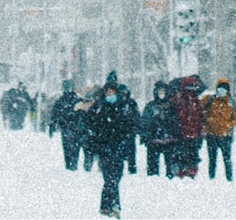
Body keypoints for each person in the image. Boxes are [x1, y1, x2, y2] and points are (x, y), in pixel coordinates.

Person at [82, 77, 138, 219]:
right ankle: (114, 206)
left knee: (115, 178)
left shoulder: (122, 107)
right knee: (110, 179)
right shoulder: (98, 108)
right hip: (104, 150)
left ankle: (106, 206)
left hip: (118, 149)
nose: (110, 95)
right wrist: (94, 147)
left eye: (112, 92)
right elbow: (90, 128)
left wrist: (125, 146)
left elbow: (129, 128)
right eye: (108, 93)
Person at [202, 79, 236, 181]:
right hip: (211, 135)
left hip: (225, 135)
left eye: (224, 88)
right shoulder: (209, 100)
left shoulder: (231, 102)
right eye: (220, 88)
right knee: (212, 159)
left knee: (227, 159)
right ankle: (211, 178)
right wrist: (206, 123)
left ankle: (229, 178)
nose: (221, 90)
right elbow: (200, 112)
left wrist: (228, 124)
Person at [171, 75, 205, 178]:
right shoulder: (177, 100)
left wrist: (200, 133)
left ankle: (190, 173)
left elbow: (201, 119)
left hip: (193, 136)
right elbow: (173, 117)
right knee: (181, 156)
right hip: (182, 135)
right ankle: (181, 173)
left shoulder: (197, 103)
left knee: (192, 156)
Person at [141, 82, 172, 176]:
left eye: (163, 91)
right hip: (153, 140)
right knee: (152, 168)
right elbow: (144, 121)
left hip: (169, 140)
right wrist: (145, 136)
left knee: (170, 167)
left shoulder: (171, 106)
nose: (161, 94)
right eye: (160, 91)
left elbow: (175, 121)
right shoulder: (150, 106)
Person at [54, 80, 87, 170]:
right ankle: (71, 165)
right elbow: (55, 114)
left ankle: (71, 165)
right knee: (70, 148)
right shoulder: (64, 101)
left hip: (73, 129)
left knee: (71, 148)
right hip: (70, 128)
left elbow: (83, 114)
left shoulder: (76, 101)